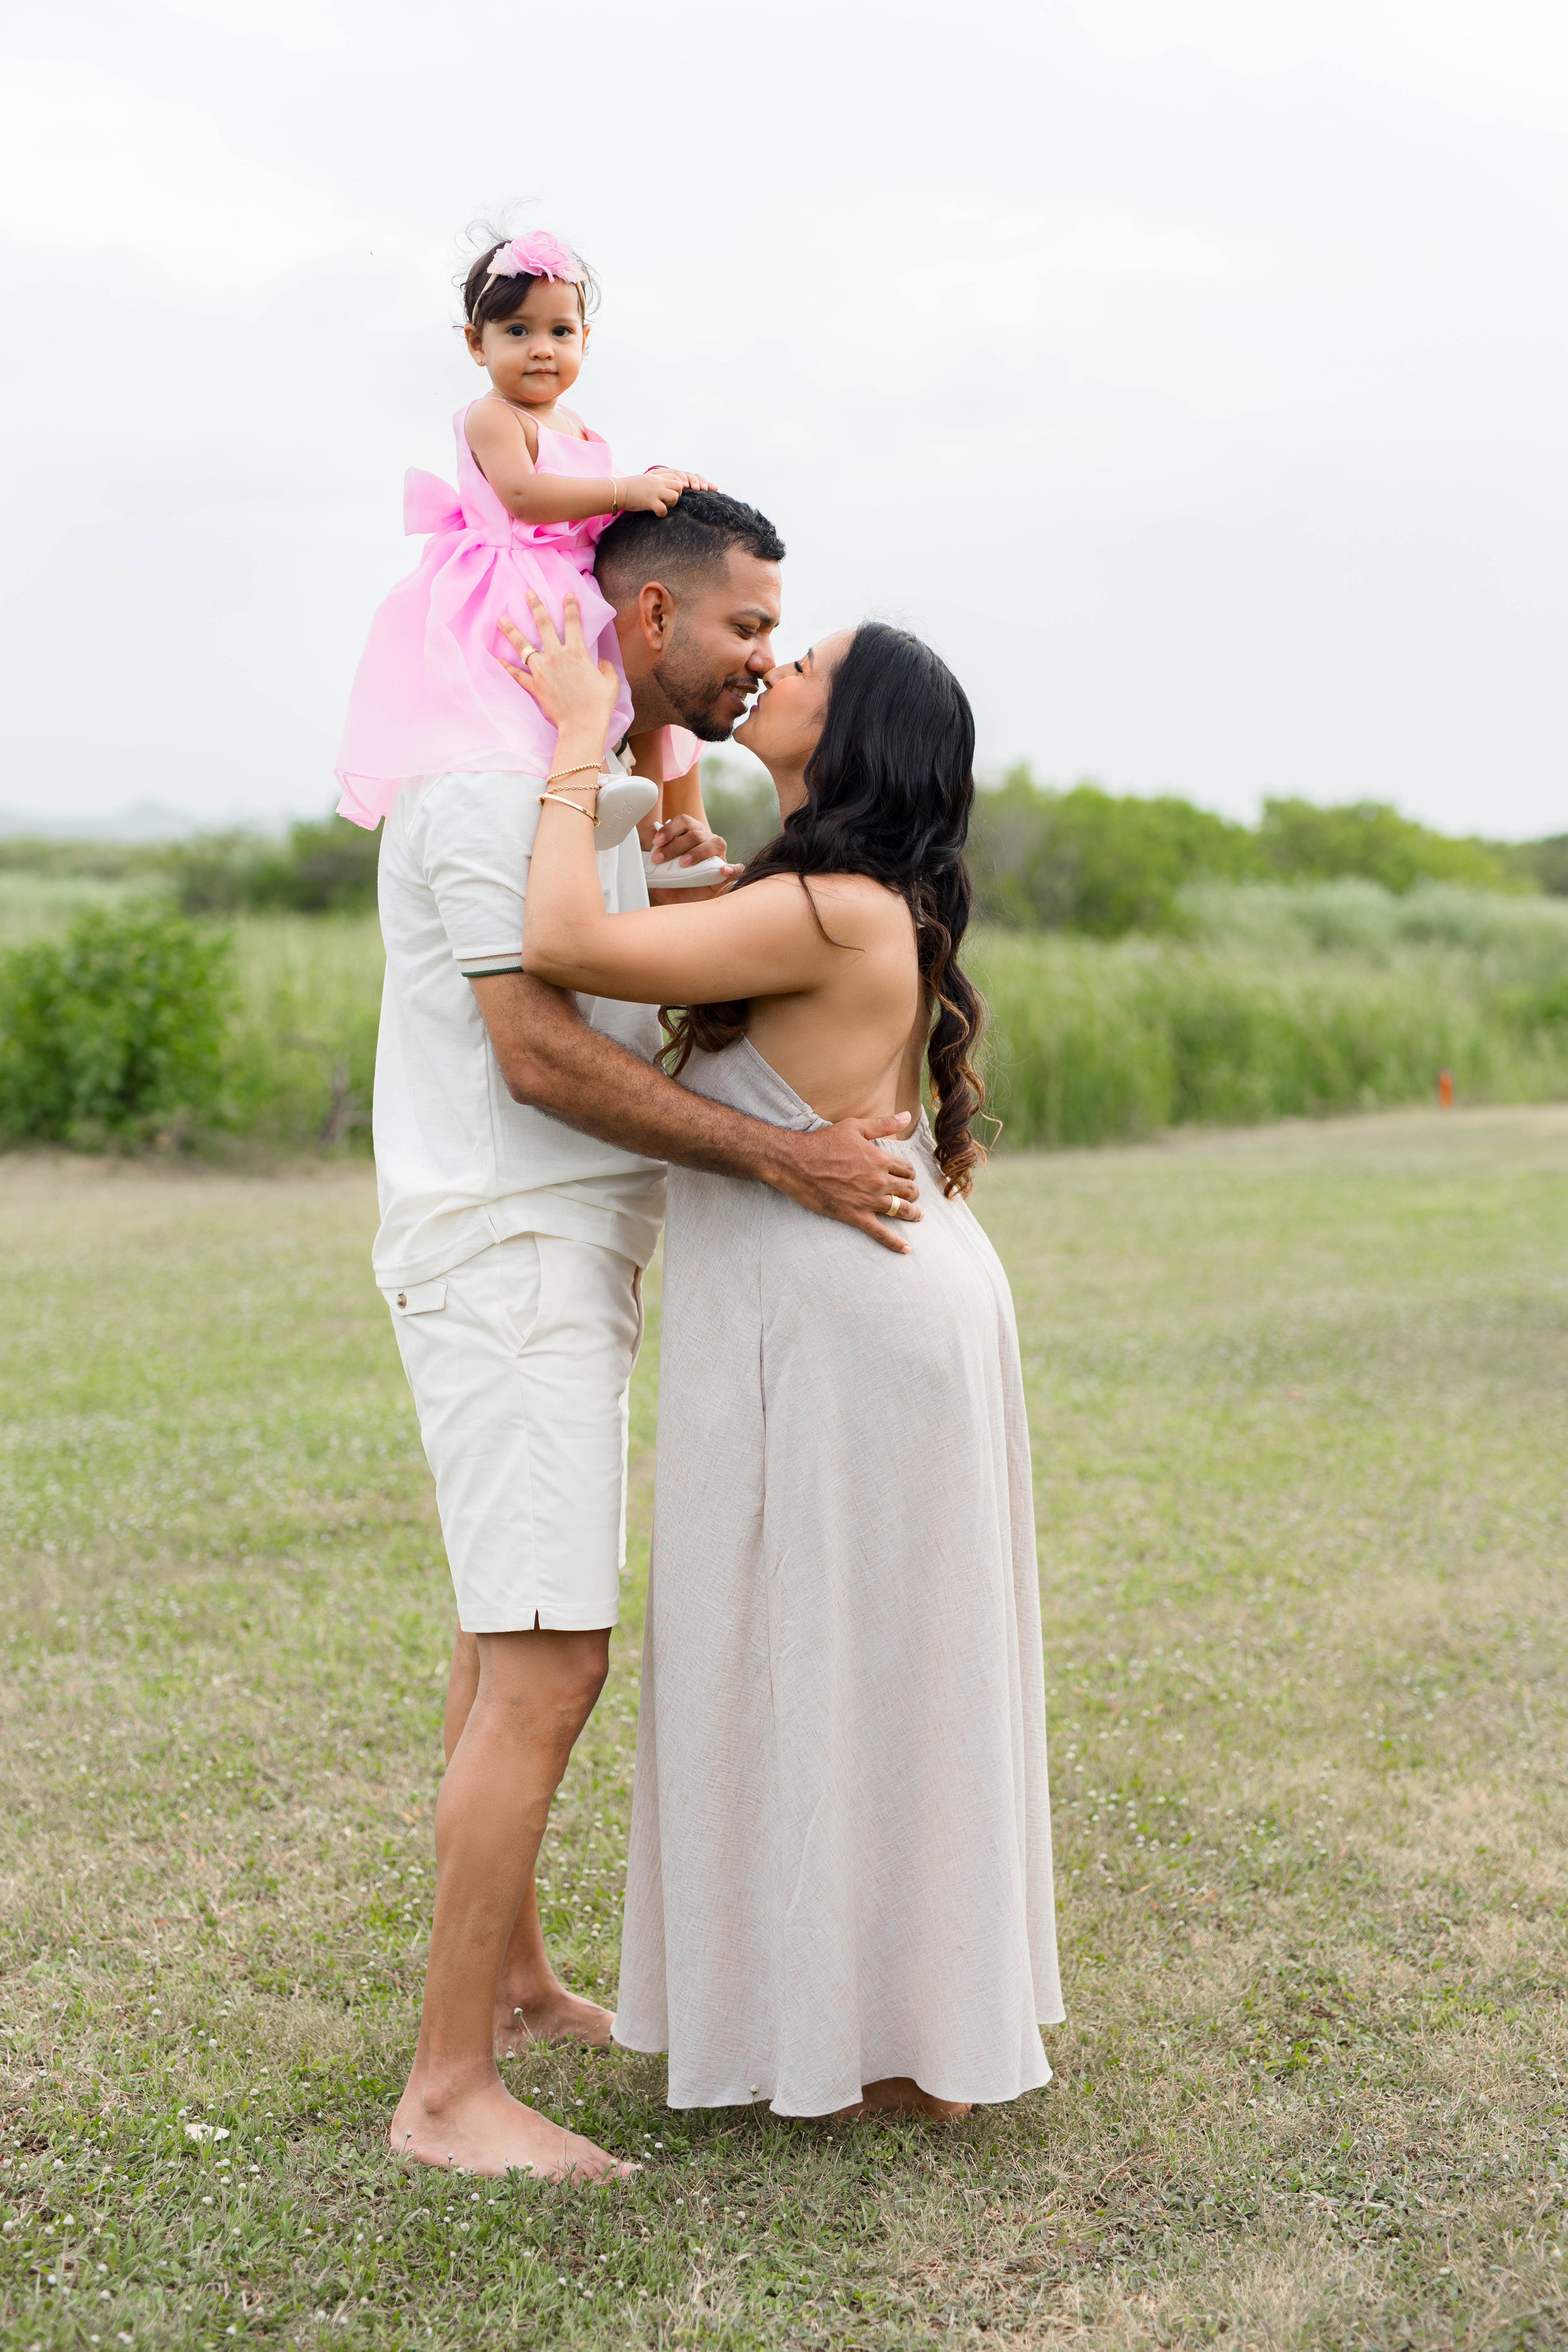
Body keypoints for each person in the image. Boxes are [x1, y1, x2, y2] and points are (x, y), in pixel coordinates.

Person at [369, 480, 925, 2185]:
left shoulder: (587, 791)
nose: (765, 659)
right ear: (659, 619)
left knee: (499, 1626)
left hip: (573, 1253)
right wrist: (789, 1162)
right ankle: (449, 2094)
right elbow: (540, 1056)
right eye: (752, 625)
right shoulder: (486, 787)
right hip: (509, 1254)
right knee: (552, 1653)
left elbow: (645, 978)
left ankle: (523, 1990)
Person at [507, 594, 1063, 2125]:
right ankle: (889, 2028)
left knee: (848, 1656)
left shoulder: (823, 908)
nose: (779, 663)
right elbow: (651, 947)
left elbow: (555, 943)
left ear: (857, 726)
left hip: (847, 1318)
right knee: (863, 1656)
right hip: (868, 1298)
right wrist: (680, 834)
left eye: (808, 663)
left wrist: (574, 744)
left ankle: (893, 2043)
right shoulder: (819, 889)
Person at [334, 225, 717, 873]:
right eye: (517, 331)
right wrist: (625, 489)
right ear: (475, 345)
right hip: (514, 580)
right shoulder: (493, 416)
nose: (541, 350)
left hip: (574, 573)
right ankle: (580, 778)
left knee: (642, 677)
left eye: (560, 332)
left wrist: (661, 488)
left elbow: (592, 513)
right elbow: (524, 496)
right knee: (534, 701)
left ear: (585, 342)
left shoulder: (579, 426)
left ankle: (652, 828)